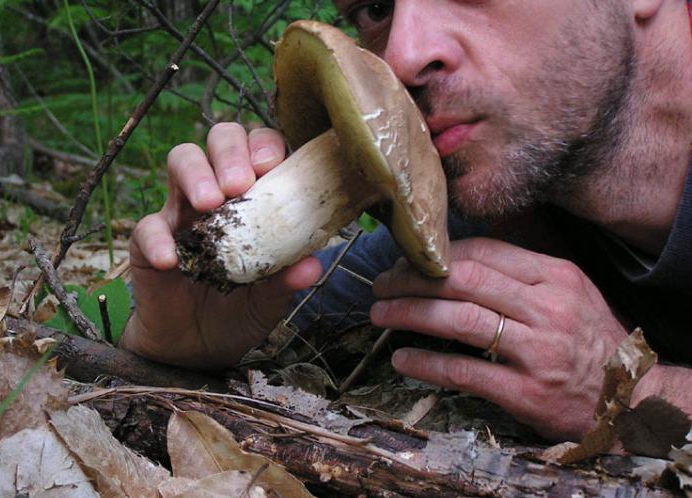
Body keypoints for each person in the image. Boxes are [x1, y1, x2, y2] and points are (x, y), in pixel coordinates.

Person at [121, 0, 692, 442]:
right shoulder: (485, 217)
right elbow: (291, 307)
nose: (401, 55)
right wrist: (165, 333)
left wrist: (640, 392)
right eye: (375, 9)